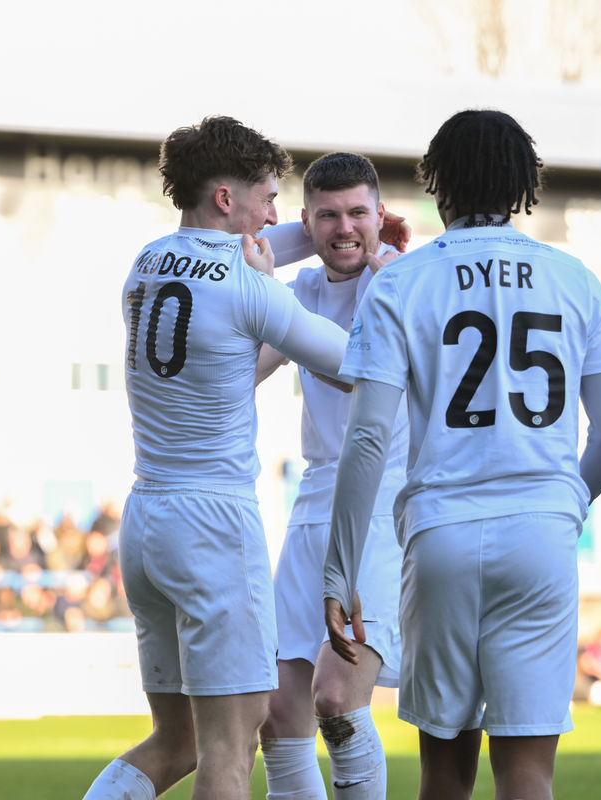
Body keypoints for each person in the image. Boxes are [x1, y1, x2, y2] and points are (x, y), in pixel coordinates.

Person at [324, 109, 601, 800]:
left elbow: (368, 436)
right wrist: (561, 507)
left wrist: (341, 571)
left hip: (440, 536)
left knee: (444, 776)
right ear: (526, 184)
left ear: (439, 185)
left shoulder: (401, 283)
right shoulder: (575, 279)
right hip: (541, 535)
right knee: (527, 775)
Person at [82, 116, 351, 800]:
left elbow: (234, 259)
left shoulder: (145, 263)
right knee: (232, 744)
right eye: (266, 197)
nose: (277, 215)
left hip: (147, 521)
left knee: (178, 742)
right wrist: (371, 262)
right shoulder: (249, 287)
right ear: (227, 199)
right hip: (213, 523)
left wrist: (305, 246)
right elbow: (356, 366)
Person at [253, 152, 410, 800]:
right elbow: (236, 374)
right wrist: (269, 278)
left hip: (382, 499)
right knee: (278, 711)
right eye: (327, 216)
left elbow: (363, 370)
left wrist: (274, 305)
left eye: (358, 213)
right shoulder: (296, 296)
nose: (344, 228)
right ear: (305, 223)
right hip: (314, 500)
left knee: (337, 698)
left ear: (381, 215)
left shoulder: (404, 285)